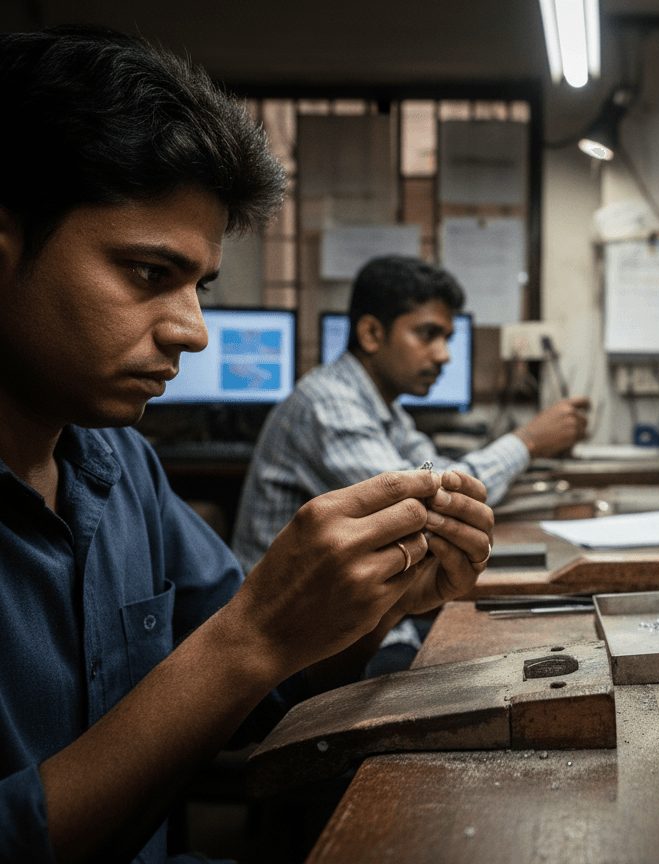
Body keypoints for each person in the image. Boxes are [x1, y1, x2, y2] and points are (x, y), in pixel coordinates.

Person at [0, 26, 494, 864]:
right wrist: (253, 634)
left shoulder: (119, 467)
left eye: (200, 286)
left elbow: (273, 697)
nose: (193, 331)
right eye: (149, 274)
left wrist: (372, 606)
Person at [231, 255, 590, 574]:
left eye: (447, 338)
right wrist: (528, 442)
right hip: (293, 635)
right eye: (428, 334)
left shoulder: (385, 406)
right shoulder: (327, 402)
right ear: (372, 333)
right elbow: (422, 506)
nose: (444, 355)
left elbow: (438, 476)